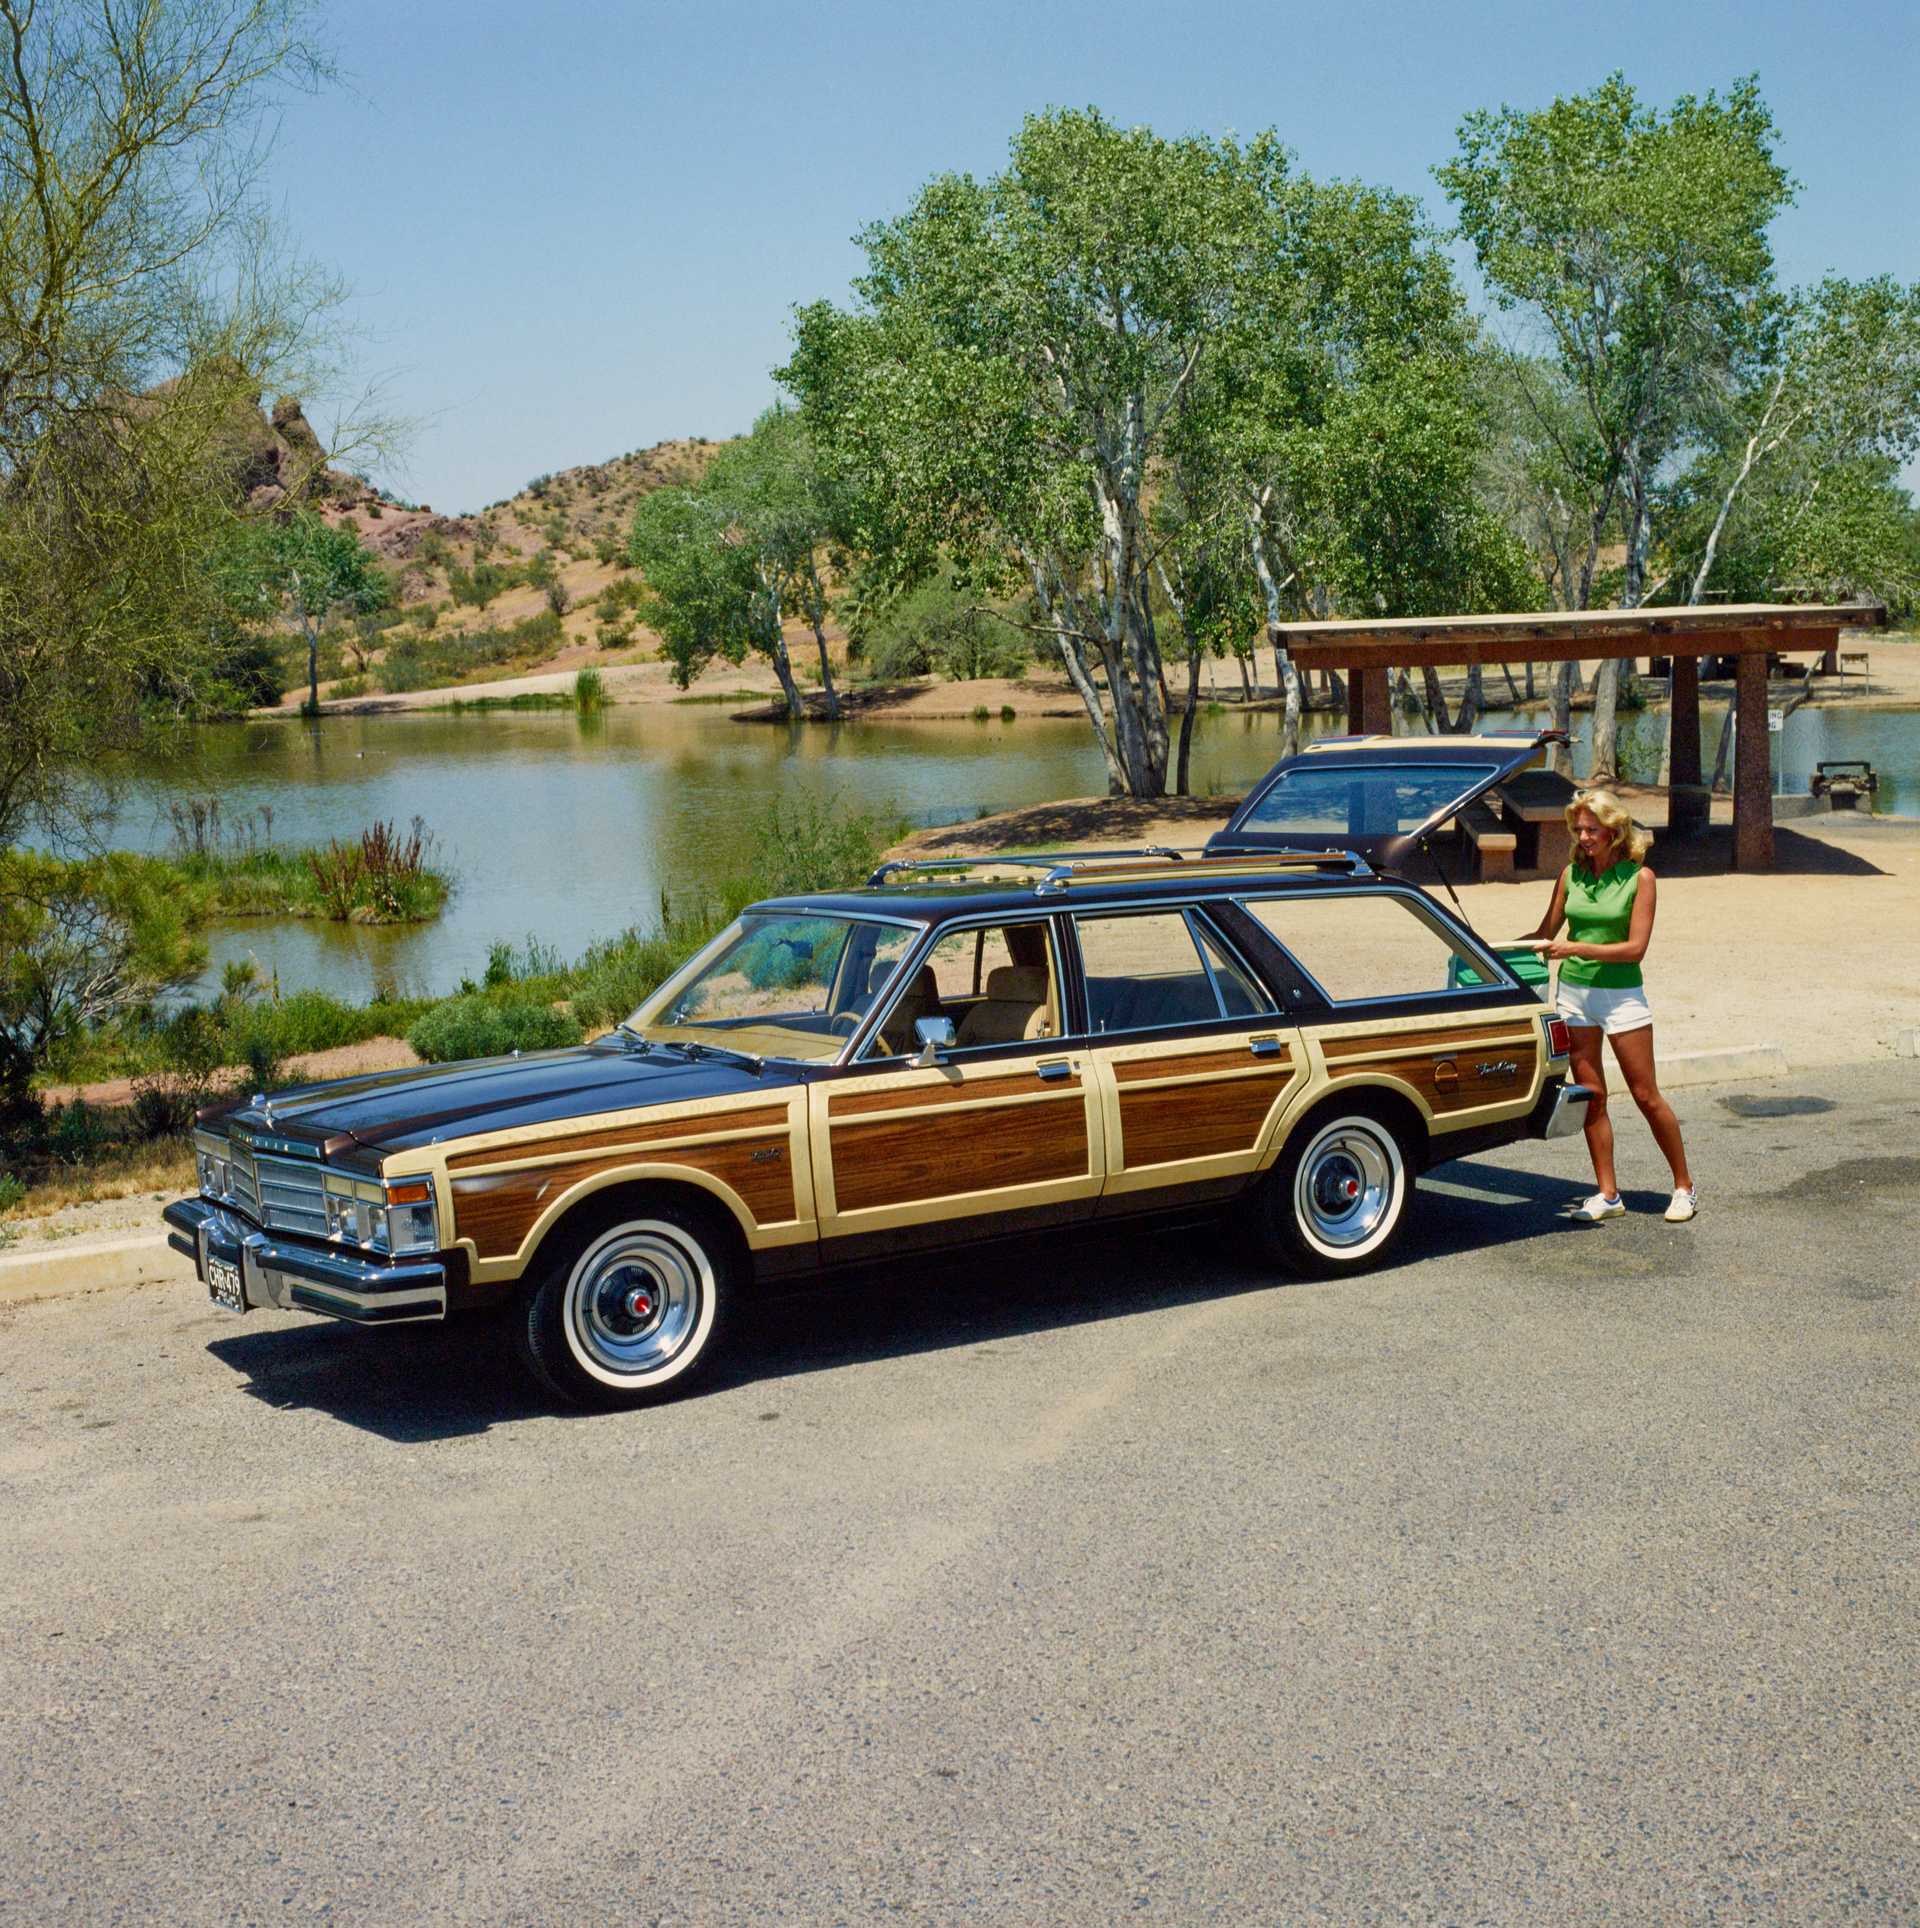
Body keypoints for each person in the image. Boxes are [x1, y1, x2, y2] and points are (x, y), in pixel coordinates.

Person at [1521, 789, 1697, 1224]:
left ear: (1615, 830)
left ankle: (1684, 1188)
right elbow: (1546, 931)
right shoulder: (1569, 876)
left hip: (1621, 997)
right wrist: (1490, 950)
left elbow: (1634, 949)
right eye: (1578, 829)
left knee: (1645, 1095)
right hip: (1575, 996)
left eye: (1591, 829)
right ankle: (1608, 1194)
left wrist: (1575, 946)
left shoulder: (1641, 879)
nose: (1583, 836)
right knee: (1592, 1097)